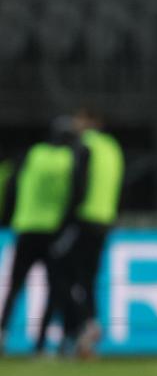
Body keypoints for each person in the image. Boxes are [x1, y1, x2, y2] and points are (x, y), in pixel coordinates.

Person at [36, 107, 124, 357]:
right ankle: (86, 328)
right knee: (88, 278)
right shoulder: (113, 148)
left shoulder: (85, 145)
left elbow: (79, 183)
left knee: (61, 271)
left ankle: (82, 324)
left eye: (78, 119)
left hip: (83, 218)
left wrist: (68, 217)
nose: (75, 124)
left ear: (89, 120)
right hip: (104, 220)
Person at [0, 117, 87, 354]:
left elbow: (12, 185)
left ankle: (2, 333)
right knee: (54, 288)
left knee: (15, 285)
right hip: (52, 232)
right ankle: (40, 342)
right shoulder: (70, 159)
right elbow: (76, 195)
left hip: (26, 226)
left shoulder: (33, 154)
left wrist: (8, 215)